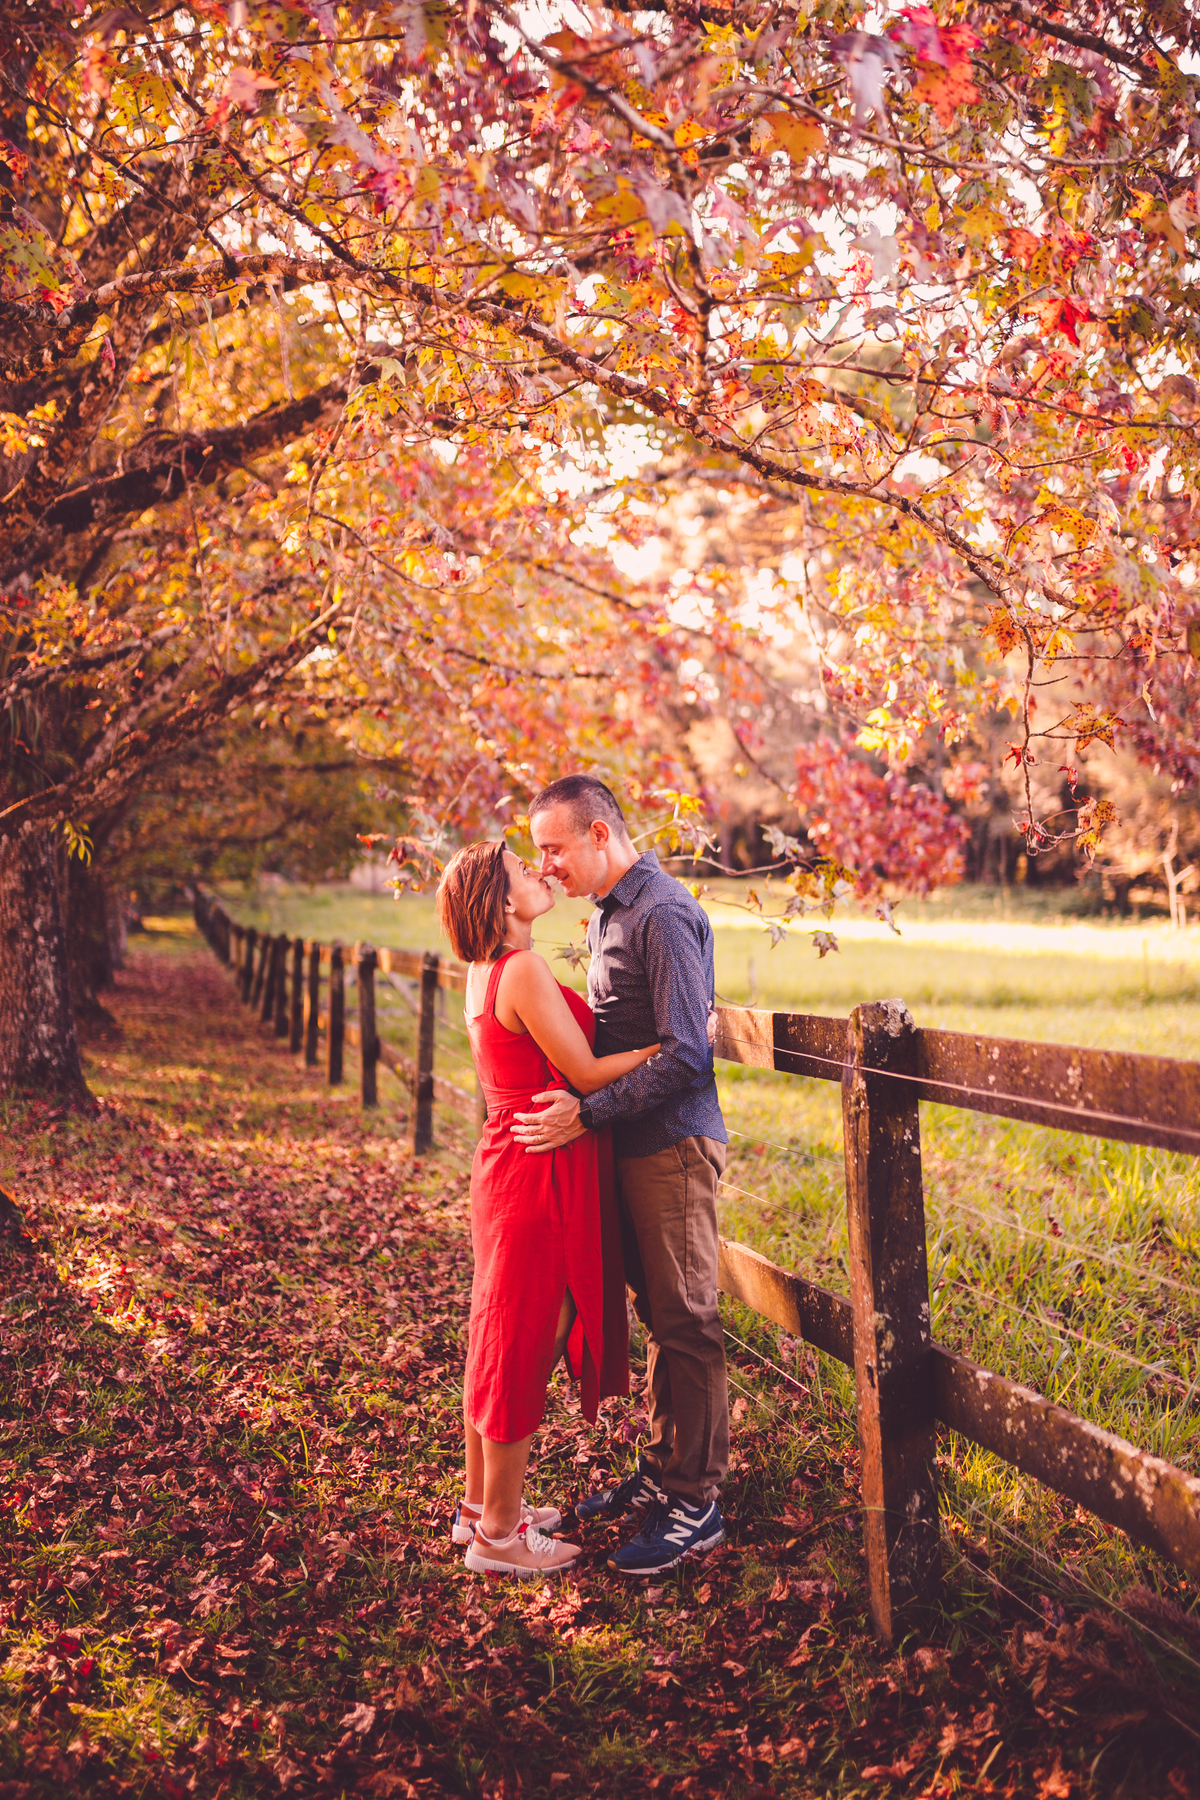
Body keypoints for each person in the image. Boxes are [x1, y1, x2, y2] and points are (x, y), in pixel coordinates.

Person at [511, 775, 729, 1577]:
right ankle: (667, 1476)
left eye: (555, 847)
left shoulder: (664, 913)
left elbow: (685, 1053)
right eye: (539, 852)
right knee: (659, 1315)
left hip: (671, 1145)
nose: (548, 865)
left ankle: (697, 1504)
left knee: (687, 1322)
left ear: (600, 835)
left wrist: (587, 1113)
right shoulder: (612, 915)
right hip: (632, 1149)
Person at [436, 839, 658, 1578]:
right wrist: (671, 1046)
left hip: (511, 1161)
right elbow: (589, 1071)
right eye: (522, 872)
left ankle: (479, 1510)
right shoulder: (522, 969)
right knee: (524, 1346)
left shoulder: (486, 970)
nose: (538, 874)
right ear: (501, 903)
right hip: (537, 1173)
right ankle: (500, 1538)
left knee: (498, 1338)